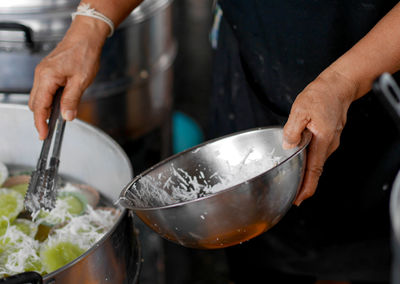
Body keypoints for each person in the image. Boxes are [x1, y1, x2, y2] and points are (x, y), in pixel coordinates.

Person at [29, 0, 400, 283]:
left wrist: (343, 82)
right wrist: (91, 23)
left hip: (383, 98)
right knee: (258, 254)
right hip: (255, 76)